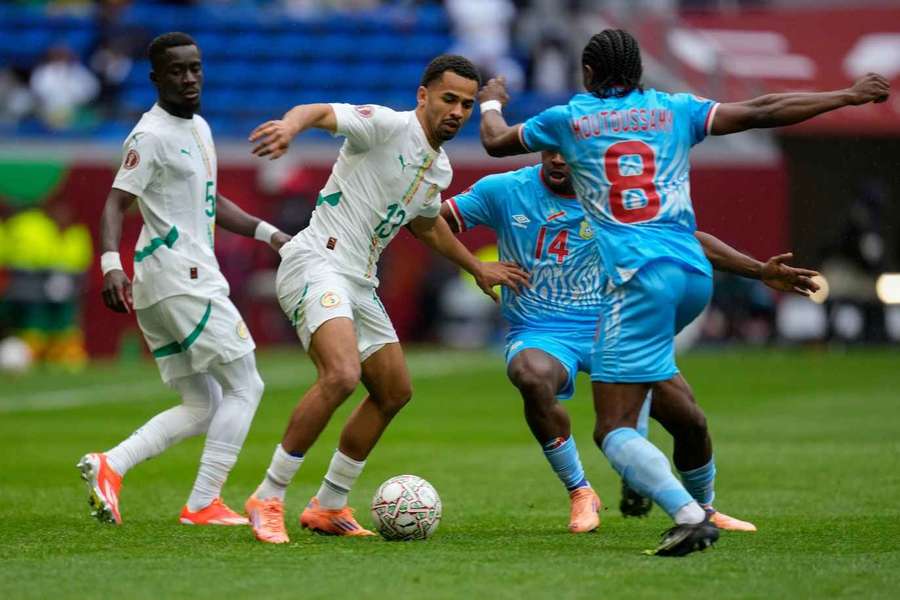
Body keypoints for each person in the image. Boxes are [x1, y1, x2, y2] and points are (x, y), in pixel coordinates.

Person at [477, 28, 889, 555]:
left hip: (638, 279)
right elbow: (764, 108)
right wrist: (846, 96)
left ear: (587, 73)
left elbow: (493, 140)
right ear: (640, 72)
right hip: (694, 276)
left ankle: (689, 514)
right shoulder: (674, 109)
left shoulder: (570, 121)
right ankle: (679, 485)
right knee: (678, 408)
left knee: (613, 430)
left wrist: (490, 100)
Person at [442, 150, 818, 533]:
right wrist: (477, 265)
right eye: (549, 149)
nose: (557, 159)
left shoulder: (617, 199)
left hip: (615, 328)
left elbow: (687, 241)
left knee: (688, 419)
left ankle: (704, 507)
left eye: (567, 152)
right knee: (530, 375)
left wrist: (759, 270)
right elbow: (430, 221)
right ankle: (580, 491)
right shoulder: (504, 190)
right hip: (542, 331)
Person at [242, 54, 529, 544]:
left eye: (465, 103)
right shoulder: (387, 125)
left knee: (394, 390)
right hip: (317, 262)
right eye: (448, 99)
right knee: (342, 374)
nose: (458, 111)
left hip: (358, 280)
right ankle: (267, 497)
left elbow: (425, 225)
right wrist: (290, 128)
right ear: (423, 96)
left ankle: (329, 505)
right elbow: (318, 111)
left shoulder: (437, 168)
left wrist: (475, 266)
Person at [77, 32, 291, 527]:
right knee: (246, 386)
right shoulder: (149, 136)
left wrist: (272, 235)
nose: (189, 78)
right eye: (177, 71)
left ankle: (111, 464)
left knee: (202, 403)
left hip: (170, 282)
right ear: (156, 78)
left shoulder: (200, 128)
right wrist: (111, 264)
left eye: (194, 68)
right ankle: (203, 503)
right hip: (181, 277)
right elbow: (114, 201)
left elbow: (212, 205)